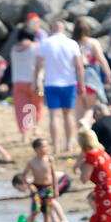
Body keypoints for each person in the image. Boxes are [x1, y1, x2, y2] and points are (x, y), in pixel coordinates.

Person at [34, 20, 85, 155]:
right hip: (69, 83)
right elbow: (79, 66)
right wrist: (82, 84)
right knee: (68, 115)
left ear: (52, 29)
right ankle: (69, 145)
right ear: (63, 29)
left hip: (51, 83)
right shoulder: (72, 43)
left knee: (54, 116)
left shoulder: (45, 43)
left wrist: (35, 82)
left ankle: (56, 147)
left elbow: (38, 65)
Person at [20, 138, 67, 222]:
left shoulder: (50, 160)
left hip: (47, 188)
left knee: (46, 212)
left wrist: (56, 189)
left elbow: (53, 175)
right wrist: (30, 185)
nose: (46, 148)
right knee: (35, 211)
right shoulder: (32, 162)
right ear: (36, 149)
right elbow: (23, 176)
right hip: (36, 188)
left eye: (47, 146)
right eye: (43, 146)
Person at [72, 18, 111, 119]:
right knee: (90, 106)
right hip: (90, 76)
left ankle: (80, 131)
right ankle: (85, 123)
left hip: (75, 77)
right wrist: (108, 74)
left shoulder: (72, 44)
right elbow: (102, 59)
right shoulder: (93, 42)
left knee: (79, 109)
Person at [9, 27, 43, 138]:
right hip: (33, 81)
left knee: (21, 108)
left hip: (18, 82)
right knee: (36, 106)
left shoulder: (14, 49)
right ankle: (36, 128)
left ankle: (24, 133)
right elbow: (40, 65)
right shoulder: (35, 47)